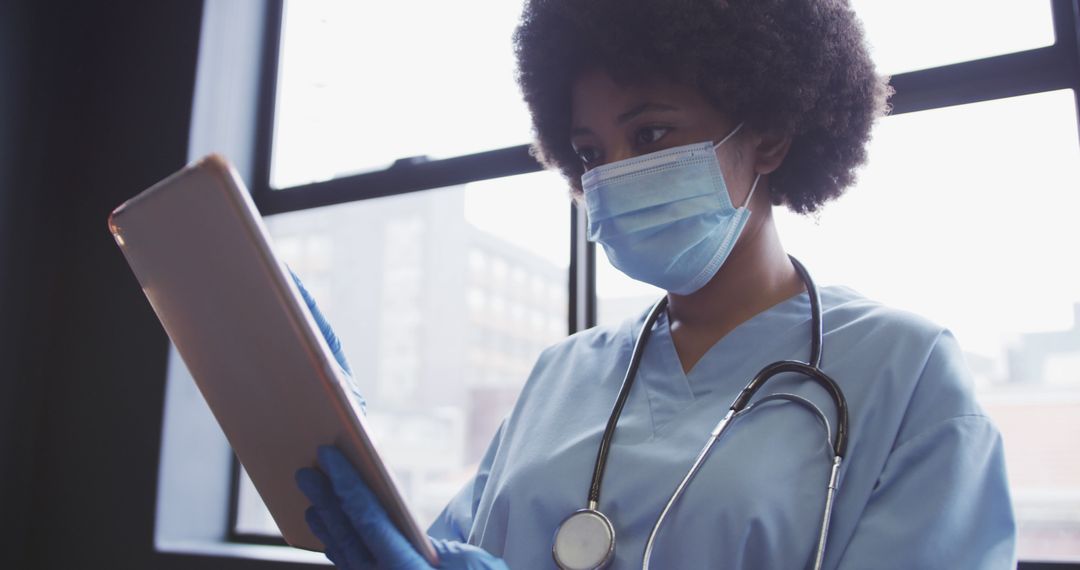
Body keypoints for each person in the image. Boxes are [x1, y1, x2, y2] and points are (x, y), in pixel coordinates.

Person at [294, 0, 1017, 567]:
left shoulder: (905, 372)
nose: (610, 176)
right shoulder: (561, 374)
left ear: (767, 133)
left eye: (649, 135)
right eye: (589, 152)